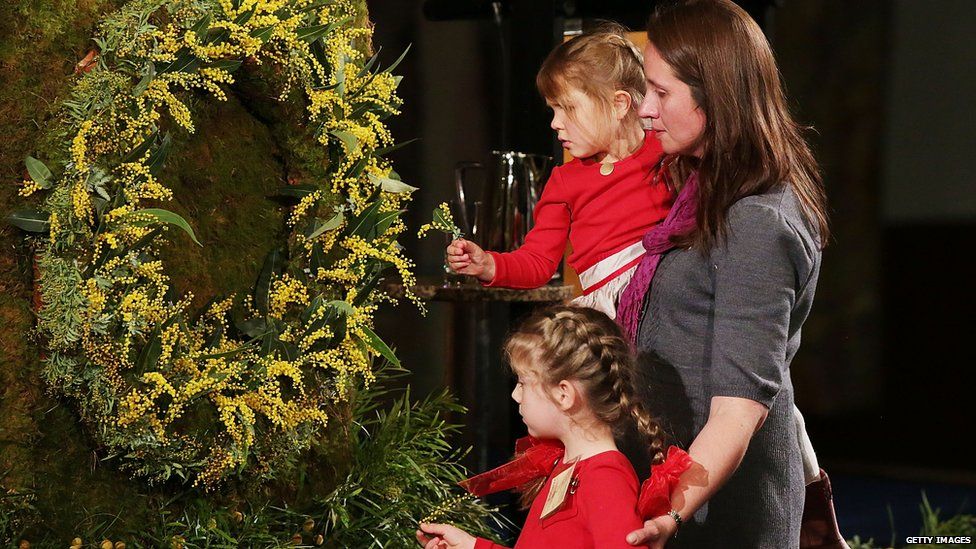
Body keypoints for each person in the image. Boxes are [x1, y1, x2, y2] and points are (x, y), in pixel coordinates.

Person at [613, 1, 841, 547]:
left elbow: (739, 410)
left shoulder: (757, 221)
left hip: (720, 511)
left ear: (716, 95)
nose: (645, 110)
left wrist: (671, 513)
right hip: (676, 485)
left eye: (661, 92)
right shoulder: (703, 190)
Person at [445, 25, 673, 319]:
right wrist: (489, 265)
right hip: (606, 317)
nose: (555, 123)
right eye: (553, 110)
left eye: (568, 108)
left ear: (619, 104)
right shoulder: (565, 181)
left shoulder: (668, 154)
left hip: (665, 304)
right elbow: (538, 261)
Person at [416, 306, 671, 549]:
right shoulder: (568, 465)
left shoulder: (606, 478)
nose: (515, 395)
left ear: (563, 394)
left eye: (523, 383)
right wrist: (473, 546)